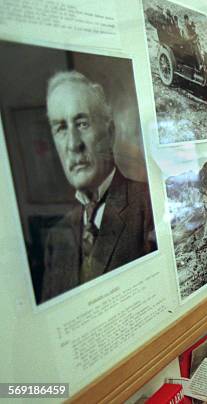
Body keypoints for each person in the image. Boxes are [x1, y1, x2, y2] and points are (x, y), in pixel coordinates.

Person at [41, 71, 156, 303]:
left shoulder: (148, 203)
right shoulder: (57, 237)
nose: (73, 145)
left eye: (82, 124)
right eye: (61, 128)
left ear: (110, 132)